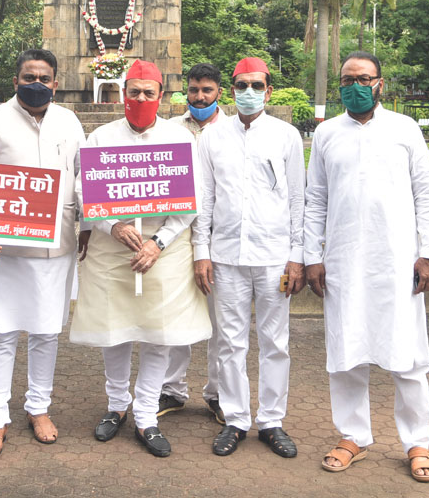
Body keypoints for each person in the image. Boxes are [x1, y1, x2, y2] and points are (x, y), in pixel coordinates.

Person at [304, 51, 429, 483]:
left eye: (363, 79)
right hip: (343, 260)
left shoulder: (404, 129)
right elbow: (314, 200)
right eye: (347, 79)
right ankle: (353, 436)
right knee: (345, 353)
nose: (355, 86)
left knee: (408, 356)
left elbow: (427, 194)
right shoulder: (326, 133)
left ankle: (417, 441)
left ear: (381, 83)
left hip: (397, 259)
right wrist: (313, 257)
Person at [71, 58, 210, 458]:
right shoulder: (100, 137)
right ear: (123, 94)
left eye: (149, 93)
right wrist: (112, 224)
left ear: (161, 97)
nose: (141, 99)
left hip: (162, 252)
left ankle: (147, 414)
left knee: (158, 332)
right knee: (114, 330)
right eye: (134, 92)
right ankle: (117, 406)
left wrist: (159, 242)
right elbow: (84, 192)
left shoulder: (181, 139)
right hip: (111, 247)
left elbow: (191, 201)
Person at [0, 48, 86, 458]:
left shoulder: (69, 121)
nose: (37, 84)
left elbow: (84, 177)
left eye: (44, 77)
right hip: (6, 250)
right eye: (28, 76)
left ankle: (39, 407)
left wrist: (86, 223)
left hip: (58, 247)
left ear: (56, 82)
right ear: (15, 80)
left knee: (47, 331)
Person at [192, 57, 306, 458]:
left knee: (275, 342)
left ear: (269, 91)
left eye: (257, 85)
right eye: (242, 85)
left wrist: (298, 256)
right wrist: (201, 252)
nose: (249, 92)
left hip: (275, 256)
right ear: (231, 90)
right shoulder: (213, 137)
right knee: (229, 342)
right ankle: (236, 419)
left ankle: (272, 420)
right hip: (225, 257)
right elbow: (204, 198)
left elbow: (298, 199)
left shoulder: (286, 136)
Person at [160, 62, 226, 424]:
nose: (200, 97)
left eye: (207, 90)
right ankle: (171, 389)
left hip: (221, 239)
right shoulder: (170, 129)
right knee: (175, 315)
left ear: (220, 92)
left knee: (221, 322)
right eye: (194, 90)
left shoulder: (232, 130)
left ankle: (217, 393)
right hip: (178, 236)